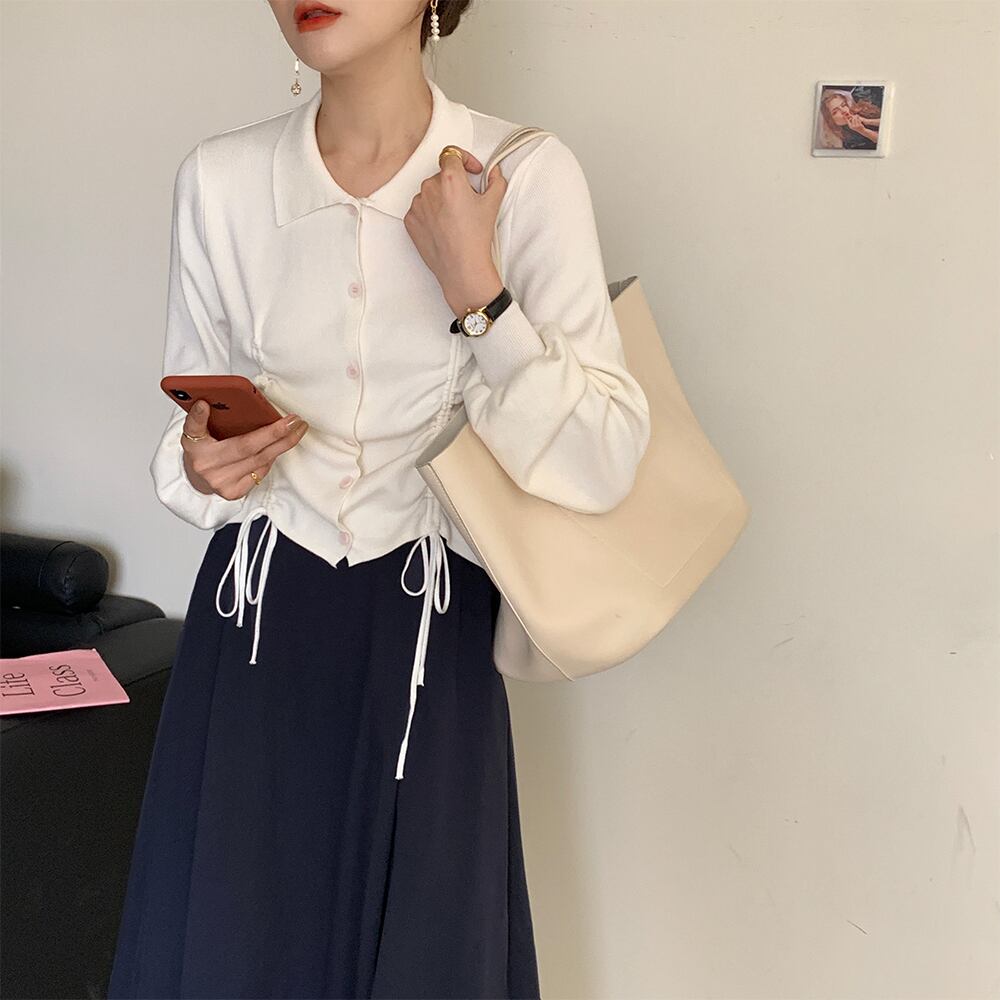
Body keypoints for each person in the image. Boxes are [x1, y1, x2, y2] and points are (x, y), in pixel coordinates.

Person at [107, 1, 651, 997]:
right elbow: (195, 429)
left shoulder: (522, 175)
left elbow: (601, 459)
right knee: (233, 946)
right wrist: (198, 463)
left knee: (424, 953)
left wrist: (476, 290)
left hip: (428, 633)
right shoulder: (221, 181)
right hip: (255, 627)